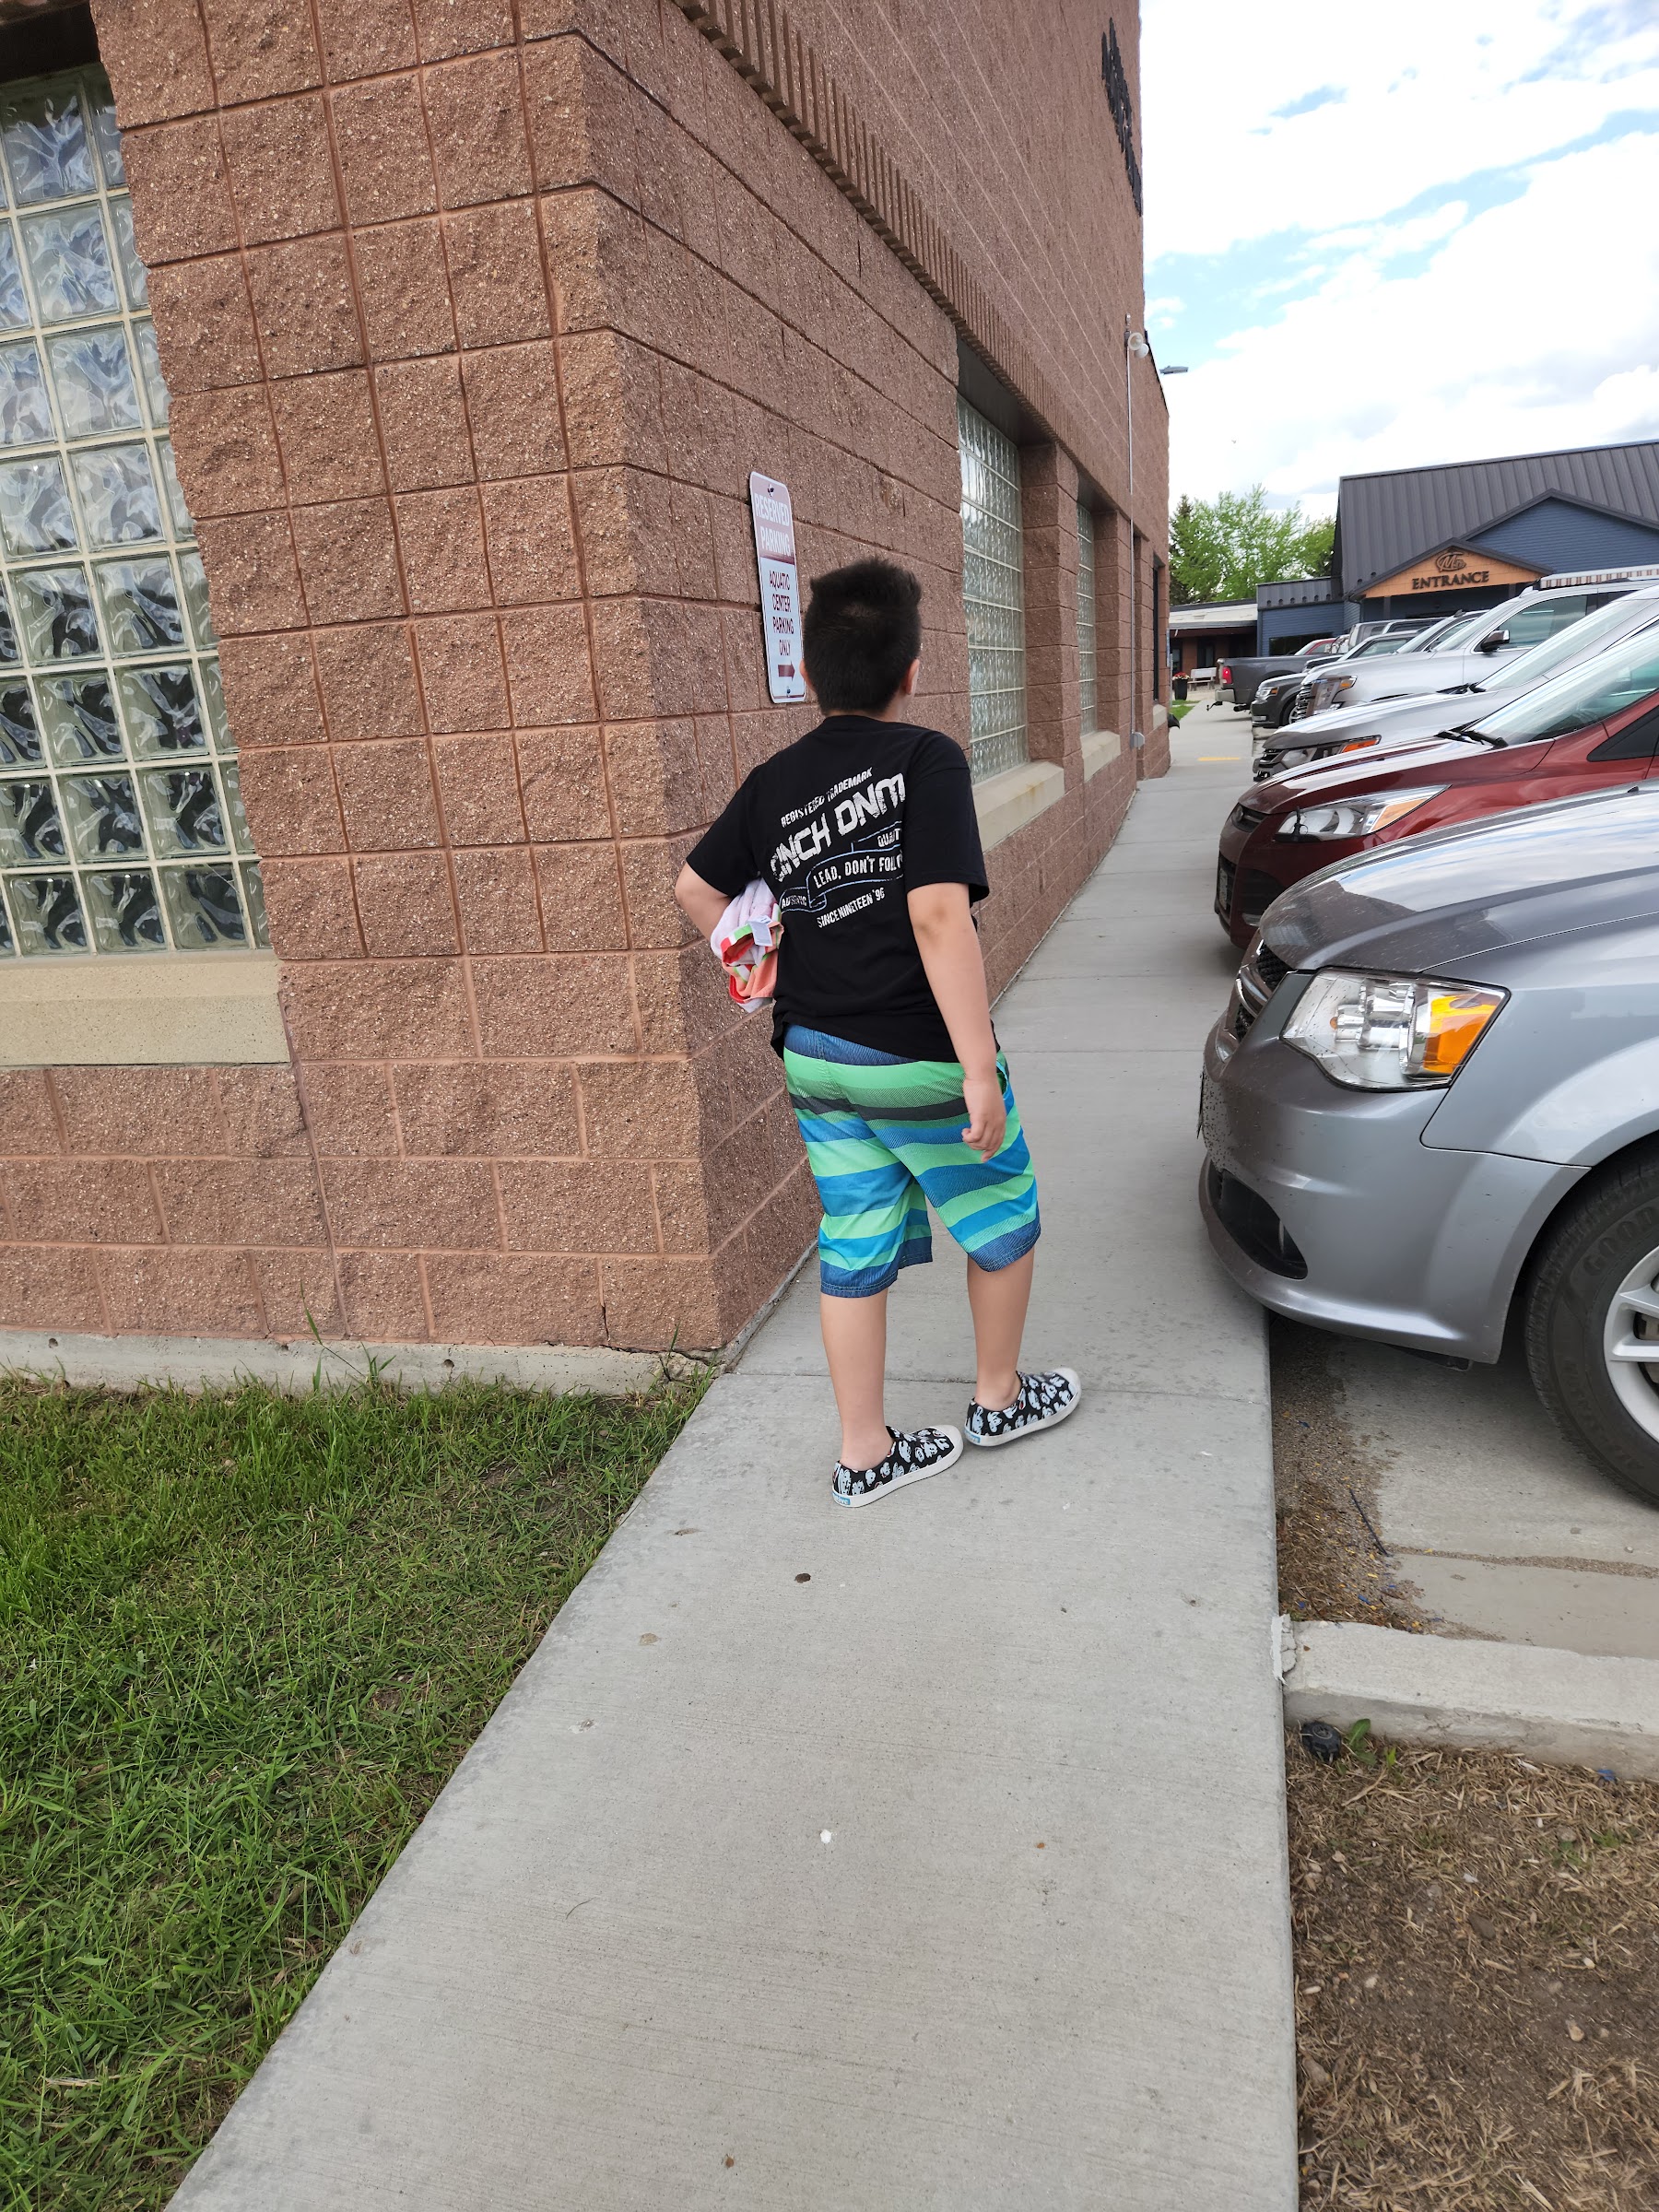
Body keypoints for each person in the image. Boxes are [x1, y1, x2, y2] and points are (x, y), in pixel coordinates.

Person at [675, 557, 1078, 1507]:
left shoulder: (772, 782)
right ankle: (997, 1399)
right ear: (912, 670)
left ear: (809, 673)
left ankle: (863, 1454)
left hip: (816, 1058)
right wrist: (976, 1068)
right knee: (1003, 1214)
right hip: (915, 1054)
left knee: (854, 1241)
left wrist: (761, 964)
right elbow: (938, 916)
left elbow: (695, 888)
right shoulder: (926, 760)